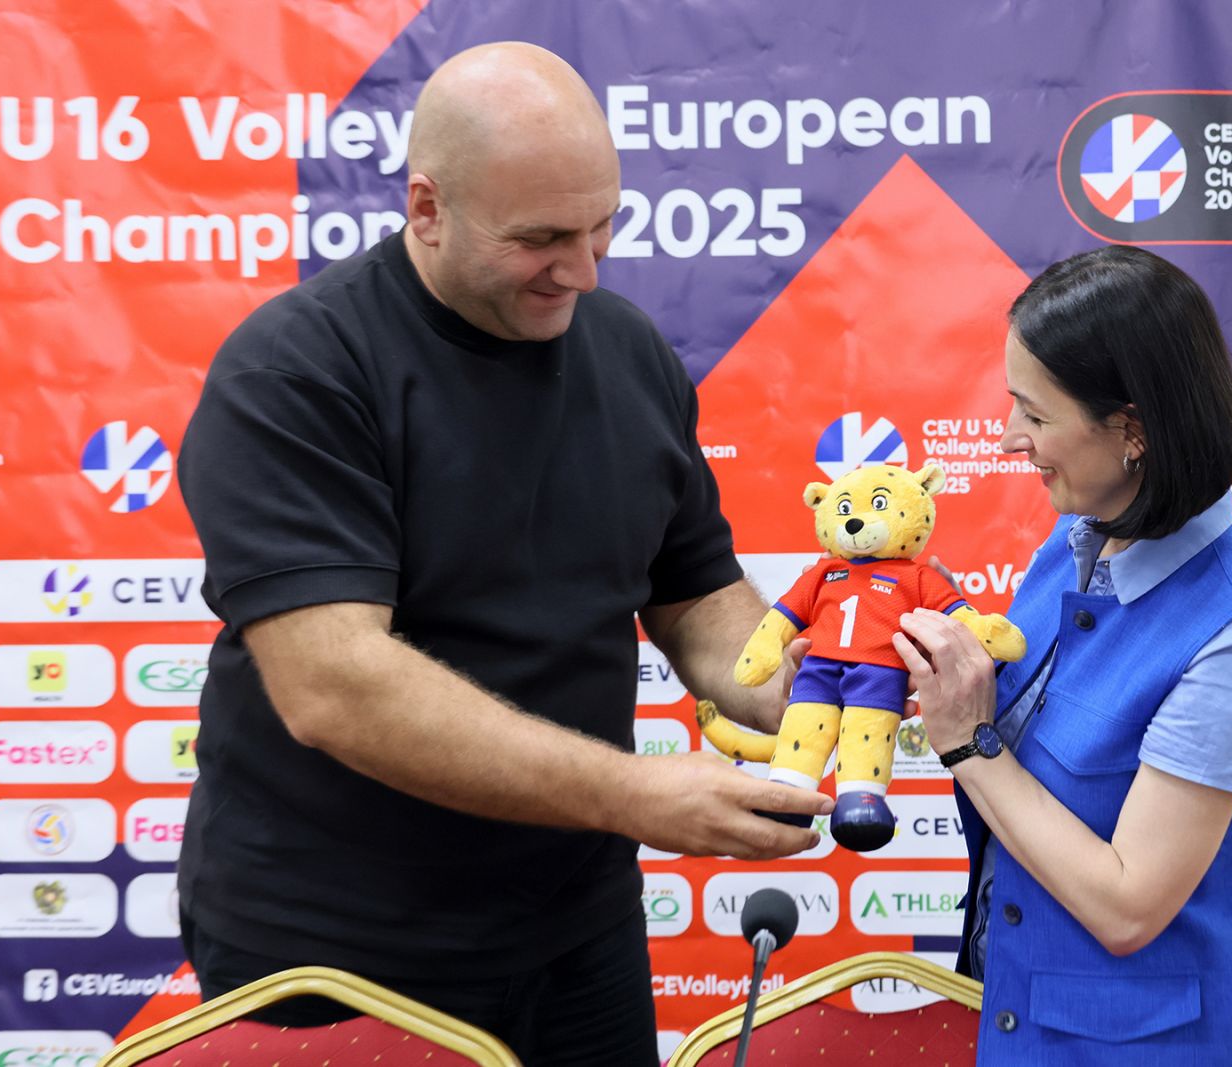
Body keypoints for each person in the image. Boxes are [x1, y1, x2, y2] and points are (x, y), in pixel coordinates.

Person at [174, 42, 831, 1065]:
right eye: (540, 239)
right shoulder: (297, 371)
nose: (584, 270)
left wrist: (811, 680)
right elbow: (335, 687)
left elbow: (697, 597)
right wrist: (636, 794)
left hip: (576, 931)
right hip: (333, 949)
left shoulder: (627, 349)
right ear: (427, 207)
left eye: (602, 225)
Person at [895, 246, 1232, 1066]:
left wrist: (969, 743)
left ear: (1132, 431)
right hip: (1018, 1010)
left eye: (1035, 414)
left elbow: (1128, 905)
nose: (1010, 439)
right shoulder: (1076, 539)